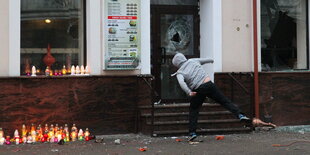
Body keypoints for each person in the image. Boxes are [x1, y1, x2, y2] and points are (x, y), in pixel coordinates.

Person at [171, 53, 250, 141]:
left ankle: (192, 133)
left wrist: (189, 92)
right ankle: (240, 115)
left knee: (194, 110)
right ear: (184, 58)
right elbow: (206, 60)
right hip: (209, 84)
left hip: (198, 90)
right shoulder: (193, 61)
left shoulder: (180, 72)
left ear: (177, 64)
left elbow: (182, 83)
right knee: (224, 101)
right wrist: (211, 60)